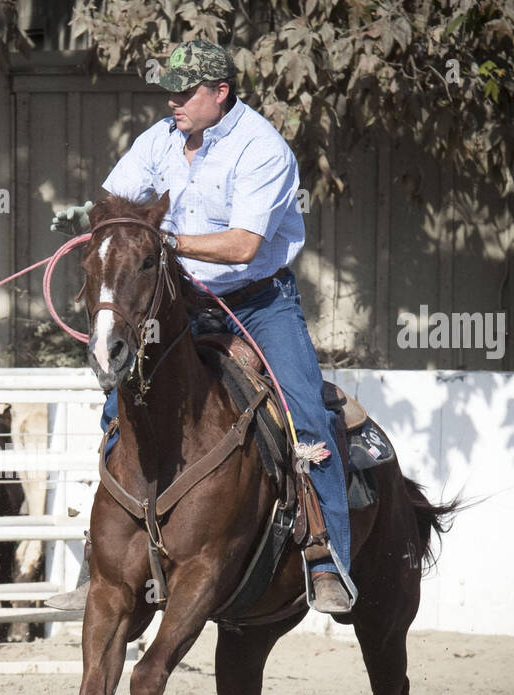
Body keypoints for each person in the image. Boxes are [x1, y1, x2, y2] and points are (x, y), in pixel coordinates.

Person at [46, 38, 353, 614]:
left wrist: (165, 240)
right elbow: (117, 197)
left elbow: (243, 245)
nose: (173, 103)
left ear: (221, 93)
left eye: (185, 93)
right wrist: (101, 222)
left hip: (259, 301)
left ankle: (324, 552)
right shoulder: (158, 141)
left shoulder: (262, 149)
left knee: (306, 410)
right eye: (169, 92)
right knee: (122, 402)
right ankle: (107, 564)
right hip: (183, 299)